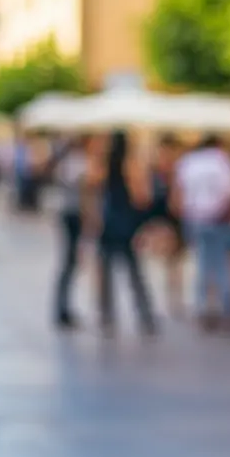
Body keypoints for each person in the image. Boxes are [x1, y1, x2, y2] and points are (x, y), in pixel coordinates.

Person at [174, 134, 230, 331]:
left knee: (202, 263)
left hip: (195, 218)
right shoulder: (222, 161)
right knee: (222, 265)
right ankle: (227, 311)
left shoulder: (189, 162)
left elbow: (179, 192)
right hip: (219, 219)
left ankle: (203, 309)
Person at [93, 131, 157, 337]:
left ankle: (107, 316)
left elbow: (92, 185)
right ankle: (145, 316)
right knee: (134, 272)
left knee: (106, 271)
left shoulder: (103, 165)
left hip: (108, 222)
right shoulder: (130, 165)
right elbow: (142, 197)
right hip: (126, 222)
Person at [52, 135, 90, 329]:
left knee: (70, 262)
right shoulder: (78, 161)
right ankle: (62, 309)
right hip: (73, 215)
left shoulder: (67, 160)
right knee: (70, 262)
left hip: (68, 214)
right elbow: (83, 192)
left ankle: (62, 307)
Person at [149, 135, 187, 319]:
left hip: (173, 221)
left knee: (174, 262)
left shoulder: (177, 172)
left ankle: (174, 299)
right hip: (162, 221)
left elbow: (177, 202)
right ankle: (170, 299)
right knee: (167, 262)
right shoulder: (156, 172)